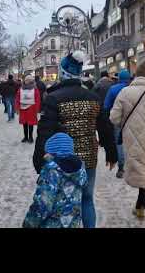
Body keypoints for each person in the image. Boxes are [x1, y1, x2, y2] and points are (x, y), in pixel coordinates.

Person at [33, 51, 117, 228]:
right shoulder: (93, 98)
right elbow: (105, 127)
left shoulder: (54, 98)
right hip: (89, 158)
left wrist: (39, 158)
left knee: (63, 201)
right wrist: (111, 152)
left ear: (63, 72)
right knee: (87, 199)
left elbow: (45, 131)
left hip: (63, 159)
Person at [110, 60, 145, 228]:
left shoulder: (125, 92)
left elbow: (113, 118)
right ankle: (139, 208)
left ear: (137, 75)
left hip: (133, 141)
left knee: (142, 175)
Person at [23, 133, 87, 228]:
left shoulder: (51, 171)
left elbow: (43, 204)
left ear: (53, 153)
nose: (45, 154)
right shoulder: (80, 169)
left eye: (48, 151)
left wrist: (29, 223)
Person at [104, 69, 131, 179]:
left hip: (118, 120)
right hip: (132, 119)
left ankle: (121, 168)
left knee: (119, 142)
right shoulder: (133, 89)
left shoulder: (113, 89)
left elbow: (106, 106)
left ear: (119, 78)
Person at [15, 75, 41, 143]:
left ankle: (31, 137)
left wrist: (37, 108)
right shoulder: (21, 88)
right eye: (26, 80)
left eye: (29, 80)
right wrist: (17, 107)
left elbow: (37, 99)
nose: (27, 81)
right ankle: (25, 137)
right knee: (24, 123)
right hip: (23, 109)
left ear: (32, 81)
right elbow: (17, 98)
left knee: (31, 123)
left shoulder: (35, 89)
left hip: (32, 109)